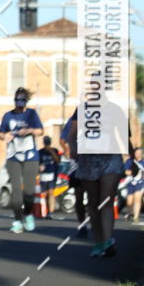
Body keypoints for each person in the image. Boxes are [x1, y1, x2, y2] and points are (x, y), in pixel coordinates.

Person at [65, 107, 135, 257]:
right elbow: (72, 135)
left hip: (110, 159)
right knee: (93, 202)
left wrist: (132, 156)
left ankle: (108, 241)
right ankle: (99, 241)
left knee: (106, 201)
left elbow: (124, 135)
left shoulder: (116, 109)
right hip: (88, 159)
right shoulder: (82, 109)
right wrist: (74, 149)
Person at [0, 88, 44, 233]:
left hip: (30, 156)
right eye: (17, 100)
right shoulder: (8, 116)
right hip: (13, 156)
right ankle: (17, 219)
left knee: (29, 191)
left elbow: (40, 131)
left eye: (22, 100)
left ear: (26, 101)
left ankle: (28, 213)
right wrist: (5, 136)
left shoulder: (31, 114)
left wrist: (29, 131)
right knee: (16, 191)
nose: (19, 103)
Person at [60, 117, 87, 238]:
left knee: (94, 196)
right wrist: (67, 150)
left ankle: (98, 224)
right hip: (77, 163)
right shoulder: (74, 119)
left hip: (93, 162)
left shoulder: (99, 116)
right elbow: (62, 139)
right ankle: (82, 225)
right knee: (79, 195)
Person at [38, 135, 60, 219]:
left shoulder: (55, 150)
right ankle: (45, 211)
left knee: (51, 192)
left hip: (52, 174)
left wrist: (51, 152)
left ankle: (50, 212)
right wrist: (39, 167)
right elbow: (37, 163)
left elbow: (58, 161)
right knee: (44, 193)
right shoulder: (40, 152)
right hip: (43, 175)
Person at [123, 147, 144, 225]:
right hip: (130, 183)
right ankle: (130, 212)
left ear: (142, 154)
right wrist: (132, 172)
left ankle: (136, 217)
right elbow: (125, 171)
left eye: (139, 153)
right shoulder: (130, 161)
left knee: (137, 199)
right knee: (129, 202)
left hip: (140, 183)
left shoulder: (143, 163)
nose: (137, 154)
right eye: (136, 153)